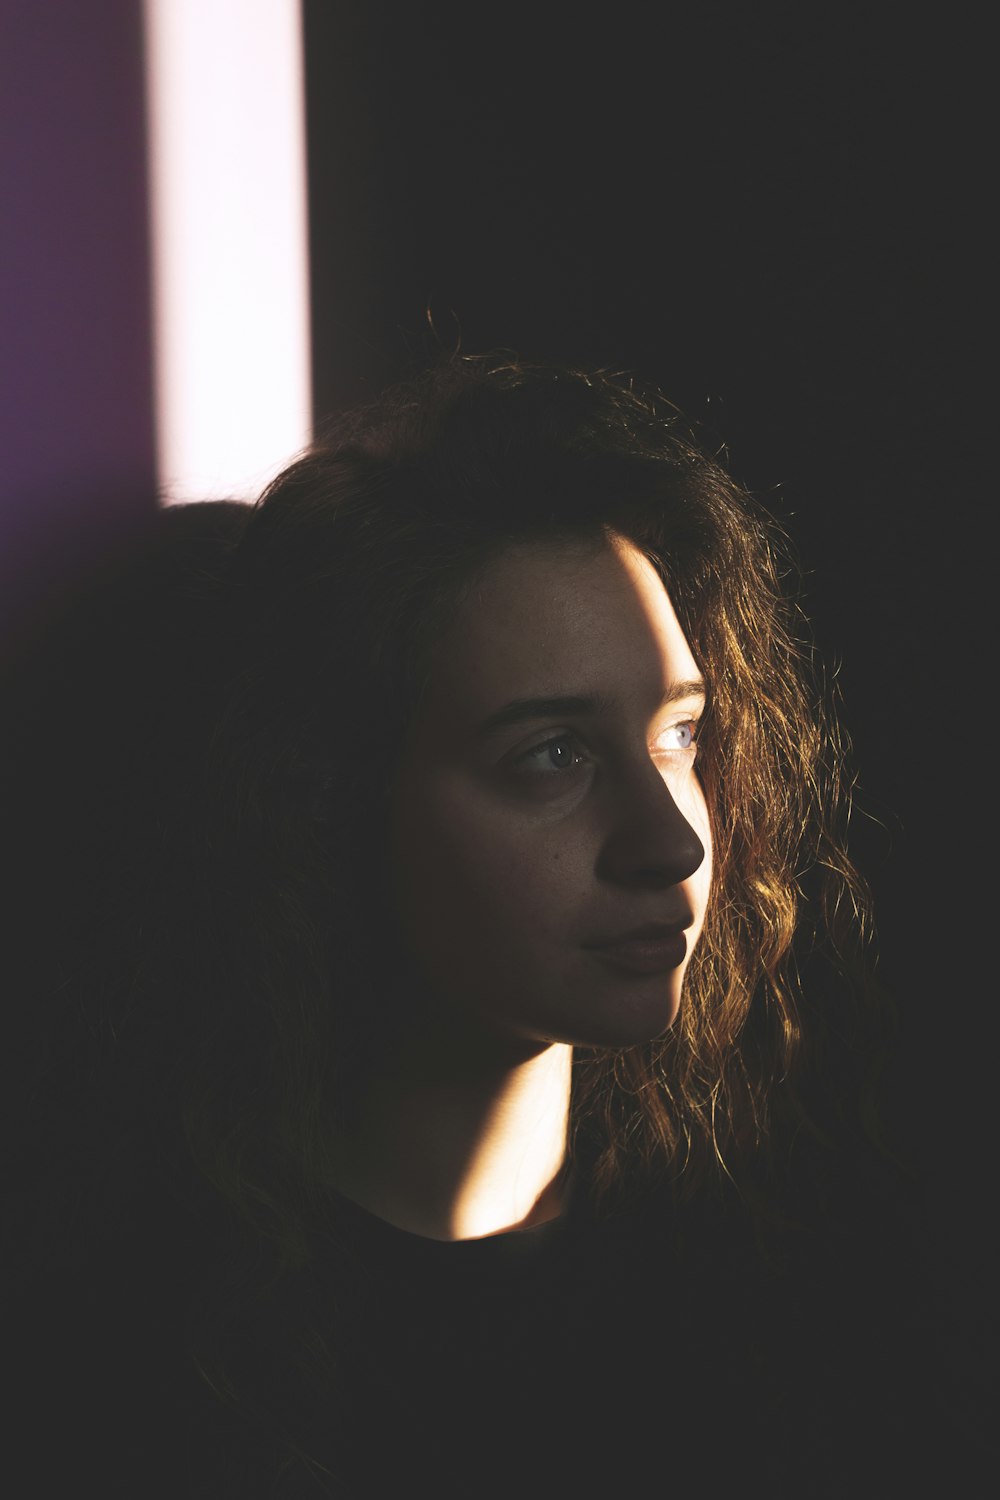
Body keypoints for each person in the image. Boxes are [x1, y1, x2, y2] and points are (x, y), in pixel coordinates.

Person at [2, 353, 977, 1497]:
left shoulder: (817, 1305)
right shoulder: (117, 1362)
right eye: (550, 757)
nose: (671, 843)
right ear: (330, 798)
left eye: (678, 735)